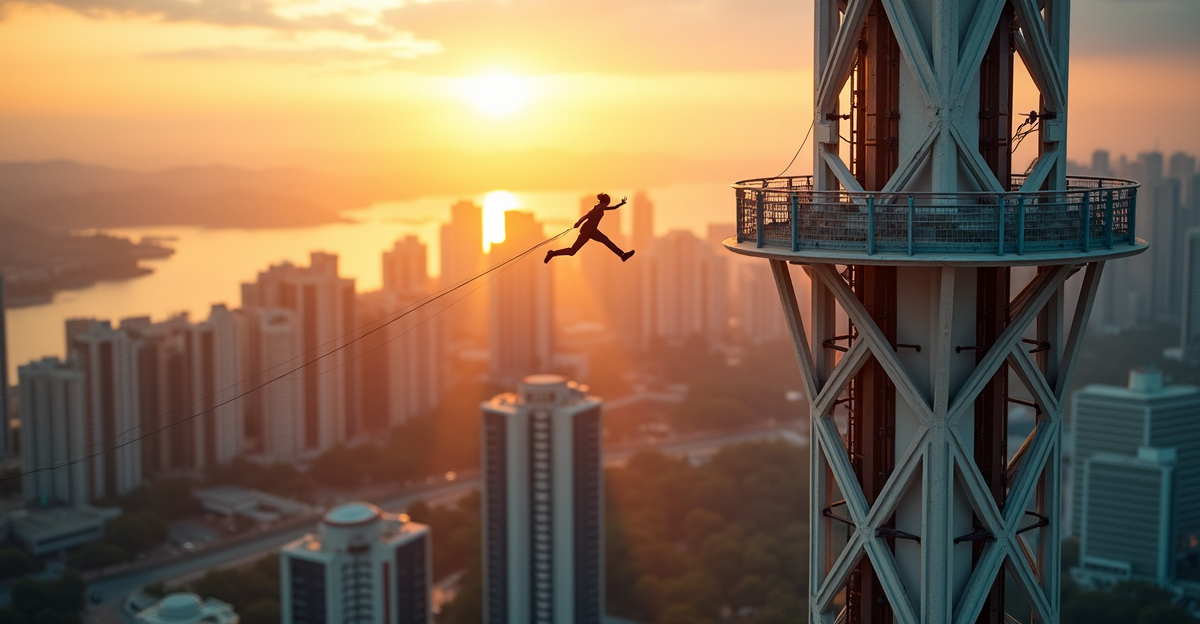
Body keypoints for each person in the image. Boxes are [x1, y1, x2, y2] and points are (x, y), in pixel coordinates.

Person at [544, 193, 635, 263]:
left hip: (588, 231)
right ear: (605, 203)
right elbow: (587, 215)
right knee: (606, 240)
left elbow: (611, 208)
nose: (607, 206)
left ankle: (552, 253)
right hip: (590, 230)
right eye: (607, 204)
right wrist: (579, 222)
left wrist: (621, 204)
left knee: (572, 251)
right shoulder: (598, 208)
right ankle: (622, 255)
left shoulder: (598, 208)